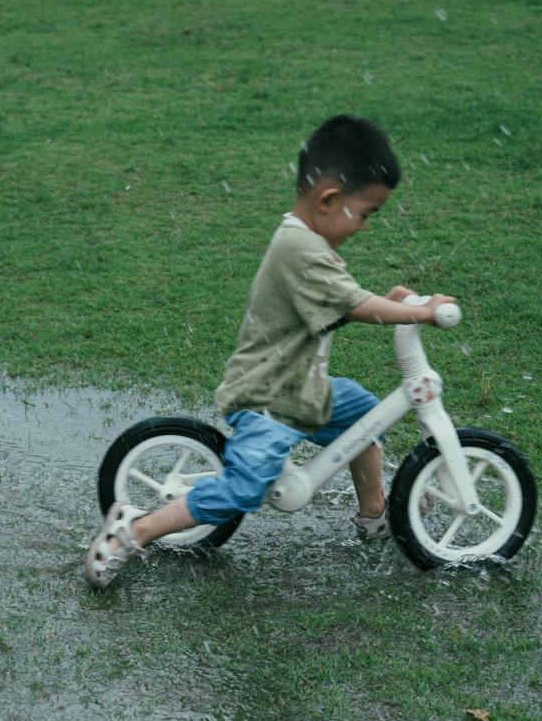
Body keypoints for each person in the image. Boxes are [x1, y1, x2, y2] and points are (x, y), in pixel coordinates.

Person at [83, 114, 454, 588]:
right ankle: (135, 529)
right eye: (364, 213)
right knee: (244, 488)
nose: (364, 226)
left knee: (367, 416)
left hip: (300, 386)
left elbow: (336, 305)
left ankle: (374, 513)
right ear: (328, 200)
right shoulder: (301, 249)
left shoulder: (306, 240)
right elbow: (353, 304)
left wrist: (393, 303)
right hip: (269, 395)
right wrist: (417, 313)